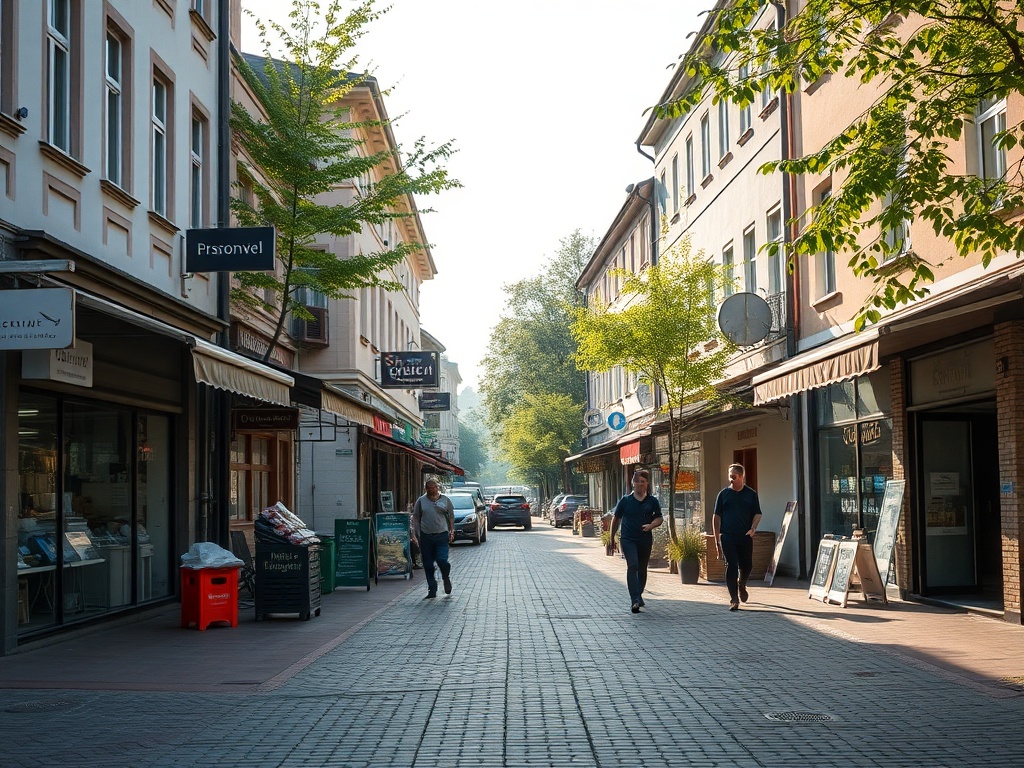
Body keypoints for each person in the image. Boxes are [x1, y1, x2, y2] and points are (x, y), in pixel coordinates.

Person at [609, 469, 663, 614]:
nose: (640, 484)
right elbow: (616, 519)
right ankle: (634, 600)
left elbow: (659, 518)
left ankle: (639, 594)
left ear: (647, 484)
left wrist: (651, 525)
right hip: (628, 539)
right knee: (633, 565)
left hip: (645, 539)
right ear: (633, 483)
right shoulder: (626, 501)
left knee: (642, 568)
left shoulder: (652, 501)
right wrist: (611, 538)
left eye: (643, 482)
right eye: (637, 481)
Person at [712, 463, 763, 611]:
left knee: (747, 565)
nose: (731, 479)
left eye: (733, 476)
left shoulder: (751, 494)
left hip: (745, 536)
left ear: (741, 476)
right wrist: (717, 540)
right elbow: (716, 517)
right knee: (731, 566)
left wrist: (753, 528)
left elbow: (758, 514)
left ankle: (742, 584)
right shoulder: (723, 494)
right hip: (728, 536)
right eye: (729, 476)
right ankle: (734, 599)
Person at [411, 479, 455, 599]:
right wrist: (415, 533)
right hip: (426, 536)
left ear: (437, 487)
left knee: (442, 560)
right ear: (426, 489)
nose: (432, 490)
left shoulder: (445, 500)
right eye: (429, 488)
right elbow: (416, 518)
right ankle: (432, 589)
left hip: (442, 535)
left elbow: (451, 516)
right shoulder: (421, 501)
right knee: (428, 565)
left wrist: (452, 531)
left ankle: (446, 578)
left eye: (434, 487)